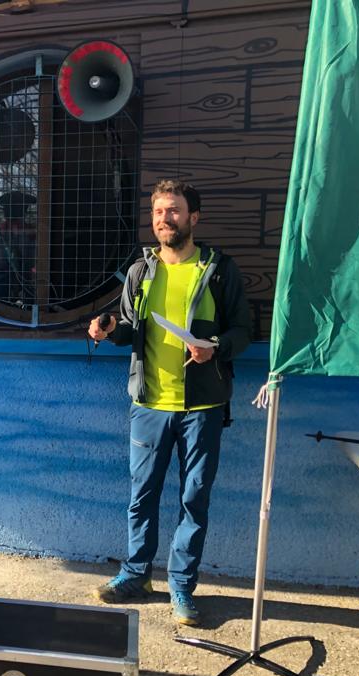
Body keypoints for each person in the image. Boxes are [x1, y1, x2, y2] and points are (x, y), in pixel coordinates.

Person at [88, 179, 251, 625]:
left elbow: (243, 331)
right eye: (159, 211)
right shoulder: (140, 271)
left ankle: (181, 586)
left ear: (193, 217)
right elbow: (129, 327)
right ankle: (135, 575)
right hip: (149, 405)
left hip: (203, 408)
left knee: (194, 499)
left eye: (174, 210)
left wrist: (214, 347)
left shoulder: (218, 270)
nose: (165, 219)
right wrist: (108, 330)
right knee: (142, 496)